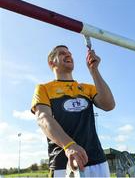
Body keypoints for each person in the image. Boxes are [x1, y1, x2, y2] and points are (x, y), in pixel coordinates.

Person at [31, 45, 115, 177]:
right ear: (51, 62)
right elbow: (43, 118)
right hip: (63, 164)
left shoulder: (86, 88)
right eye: (62, 53)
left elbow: (109, 105)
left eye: (70, 53)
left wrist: (94, 70)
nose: (69, 55)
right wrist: (69, 145)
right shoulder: (43, 88)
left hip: (97, 161)